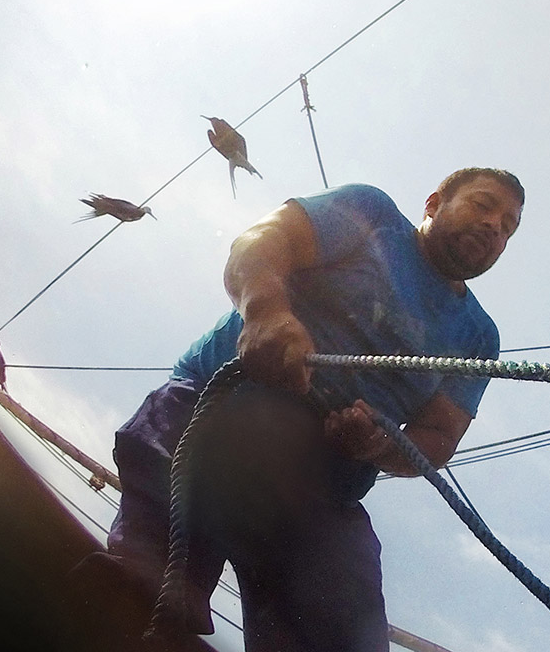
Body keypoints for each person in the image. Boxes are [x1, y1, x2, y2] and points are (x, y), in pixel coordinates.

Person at [87, 168, 524, 652]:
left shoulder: (480, 337)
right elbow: (260, 243)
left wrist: (377, 445)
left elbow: (439, 437)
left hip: (324, 490)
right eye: (484, 205)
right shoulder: (372, 214)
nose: (494, 226)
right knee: (142, 599)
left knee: (344, 635)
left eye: (508, 227)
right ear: (434, 202)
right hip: (219, 412)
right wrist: (268, 312)